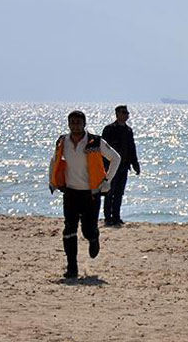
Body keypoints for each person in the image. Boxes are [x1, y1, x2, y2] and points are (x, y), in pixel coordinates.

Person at [49, 110, 121, 278]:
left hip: (91, 193)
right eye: (72, 122)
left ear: (84, 124)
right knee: (69, 229)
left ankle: (93, 238)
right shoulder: (62, 141)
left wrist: (107, 180)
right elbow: (54, 160)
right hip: (70, 192)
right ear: (68, 124)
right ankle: (72, 267)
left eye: (78, 123)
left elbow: (116, 158)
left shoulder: (95, 141)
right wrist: (52, 180)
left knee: (88, 230)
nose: (75, 126)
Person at [100, 105, 140, 227]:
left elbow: (131, 148)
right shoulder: (109, 129)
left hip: (124, 166)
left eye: (127, 112)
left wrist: (135, 164)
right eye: (124, 112)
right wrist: (104, 166)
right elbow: (103, 149)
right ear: (117, 114)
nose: (126, 114)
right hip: (111, 166)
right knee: (109, 192)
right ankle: (108, 218)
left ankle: (116, 217)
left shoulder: (128, 131)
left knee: (119, 193)